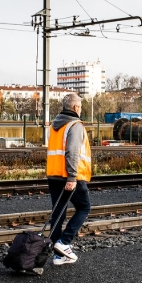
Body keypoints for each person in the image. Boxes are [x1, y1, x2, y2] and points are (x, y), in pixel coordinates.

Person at [46, 93, 92, 265]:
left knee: (58, 213)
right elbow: (71, 152)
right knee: (84, 207)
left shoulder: (54, 125)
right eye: (80, 106)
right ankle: (64, 243)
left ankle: (58, 256)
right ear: (75, 108)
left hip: (54, 175)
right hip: (70, 177)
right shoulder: (75, 125)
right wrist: (72, 177)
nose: (80, 109)